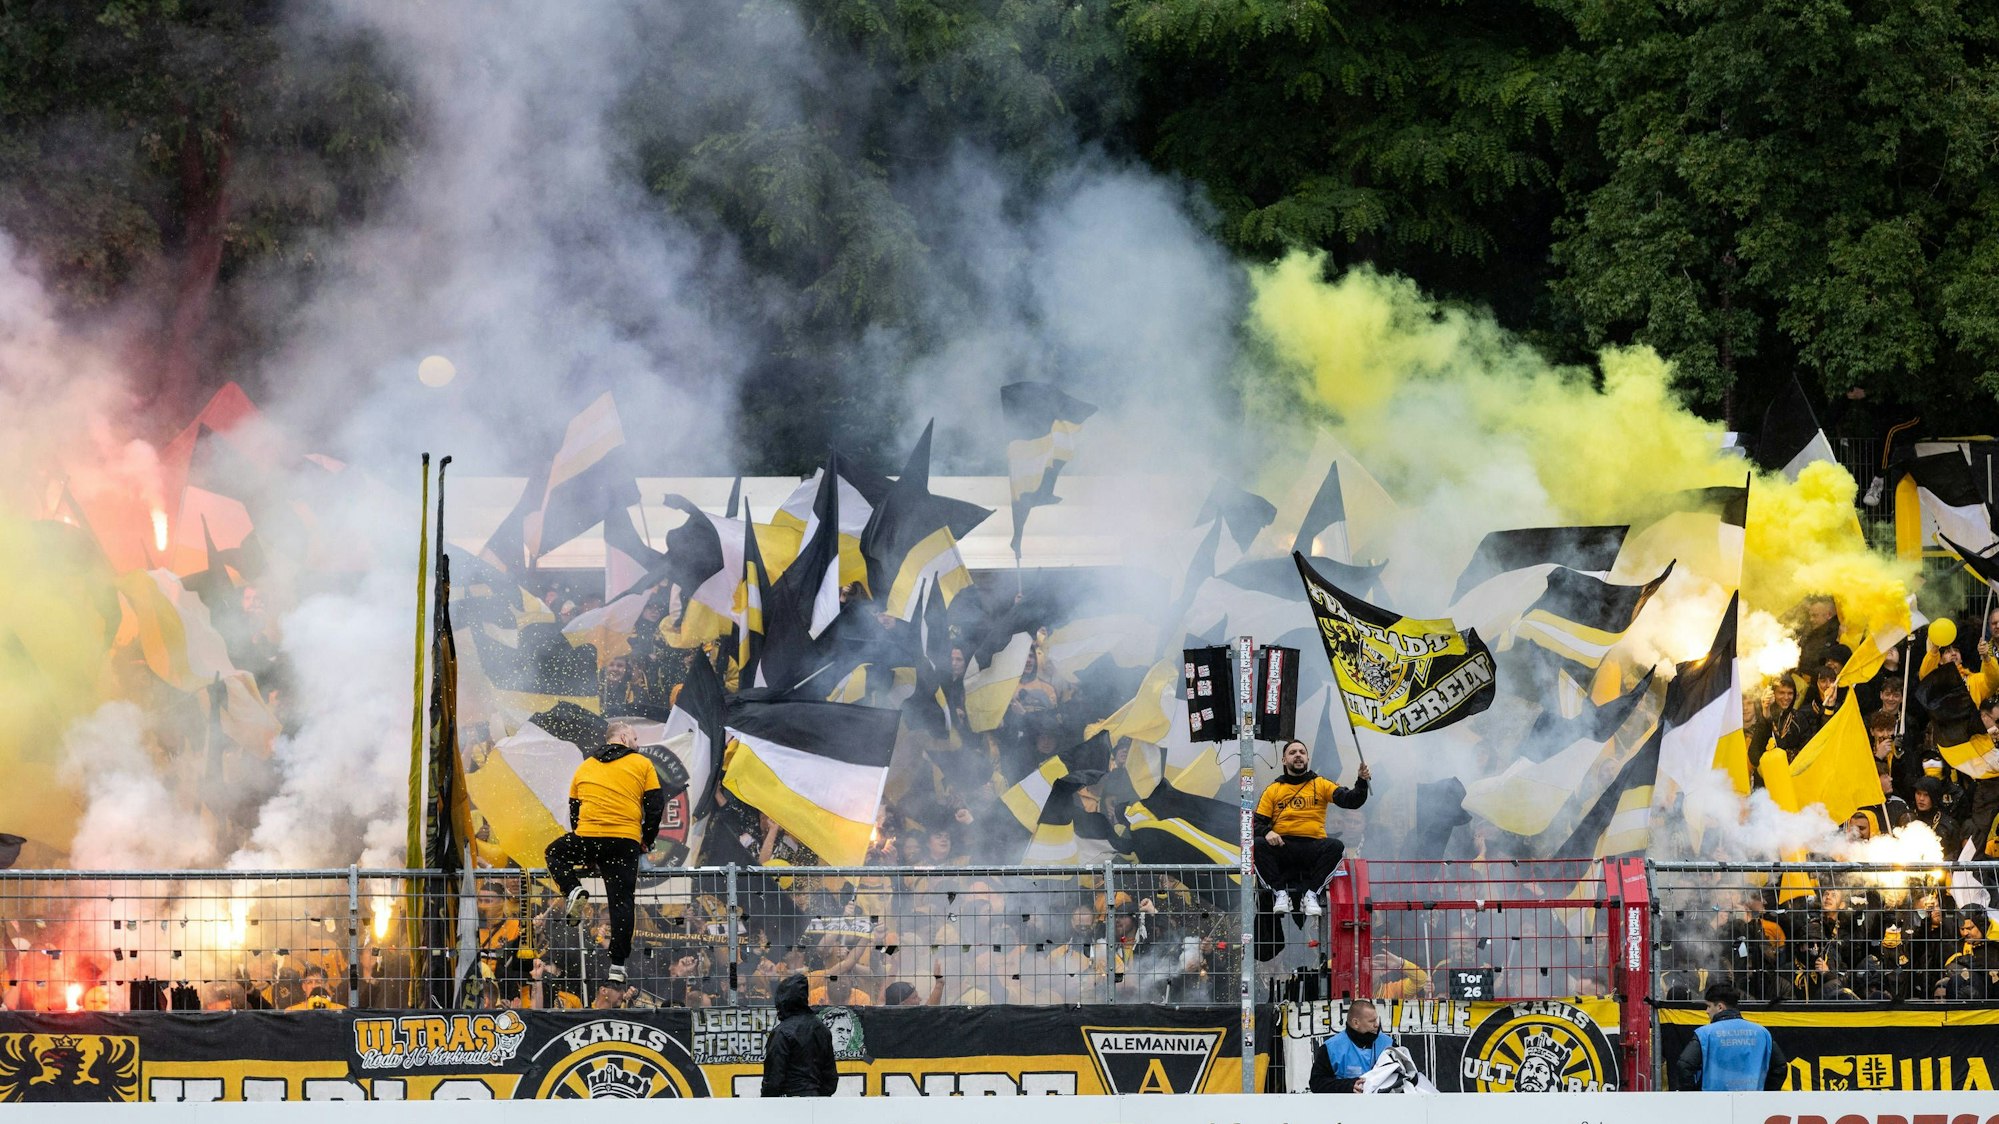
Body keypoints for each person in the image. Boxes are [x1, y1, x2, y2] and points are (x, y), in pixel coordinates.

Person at [544, 723, 663, 986]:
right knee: (621, 901)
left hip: (589, 836)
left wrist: (586, 850)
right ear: (622, 737)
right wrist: (647, 840)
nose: (637, 742)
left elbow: (575, 810)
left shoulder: (585, 766)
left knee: (554, 853)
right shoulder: (642, 763)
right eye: (634, 737)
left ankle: (572, 889)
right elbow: (655, 806)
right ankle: (618, 966)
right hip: (624, 841)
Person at [1253, 739, 1369, 915]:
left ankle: (1312, 894)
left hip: (1313, 847)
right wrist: (1267, 832)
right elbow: (1255, 824)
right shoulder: (1273, 790)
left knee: (1336, 846)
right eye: (1292, 753)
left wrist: (1361, 781)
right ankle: (1280, 893)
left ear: (1307, 758)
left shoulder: (1321, 784)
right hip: (1283, 847)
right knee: (1259, 844)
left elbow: (1351, 801)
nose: (1298, 755)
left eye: (1302, 752)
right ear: (1284, 760)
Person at [1675, 983, 1786, 1090]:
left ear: (1720, 1007)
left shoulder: (1704, 1034)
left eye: (1708, 1006)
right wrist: (1765, 1092)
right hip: (1752, 1102)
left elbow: (1684, 1065)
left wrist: (1694, 1094)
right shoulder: (1762, 1033)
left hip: (1713, 1103)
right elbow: (1780, 1067)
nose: (1706, 1011)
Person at [761, 973, 837, 1098]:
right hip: (817, 1101)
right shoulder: (822, 1029)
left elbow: (773, 1078)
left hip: (788, 1103)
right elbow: (830, 1079)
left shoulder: (782, 1032)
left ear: (781, 1002)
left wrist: (767, 1100)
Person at [1308, 998, 1394, 1092]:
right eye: (1371, 1021)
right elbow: (1316, 1083)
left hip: (1382, 1105)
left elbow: (1408, 1077)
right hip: (1344, 1105)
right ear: (1356, 1023)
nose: (1377, 1025)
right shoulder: (1330, 1048)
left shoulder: (1389, 1045)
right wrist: (1348, 1086)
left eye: (1376, 1020)